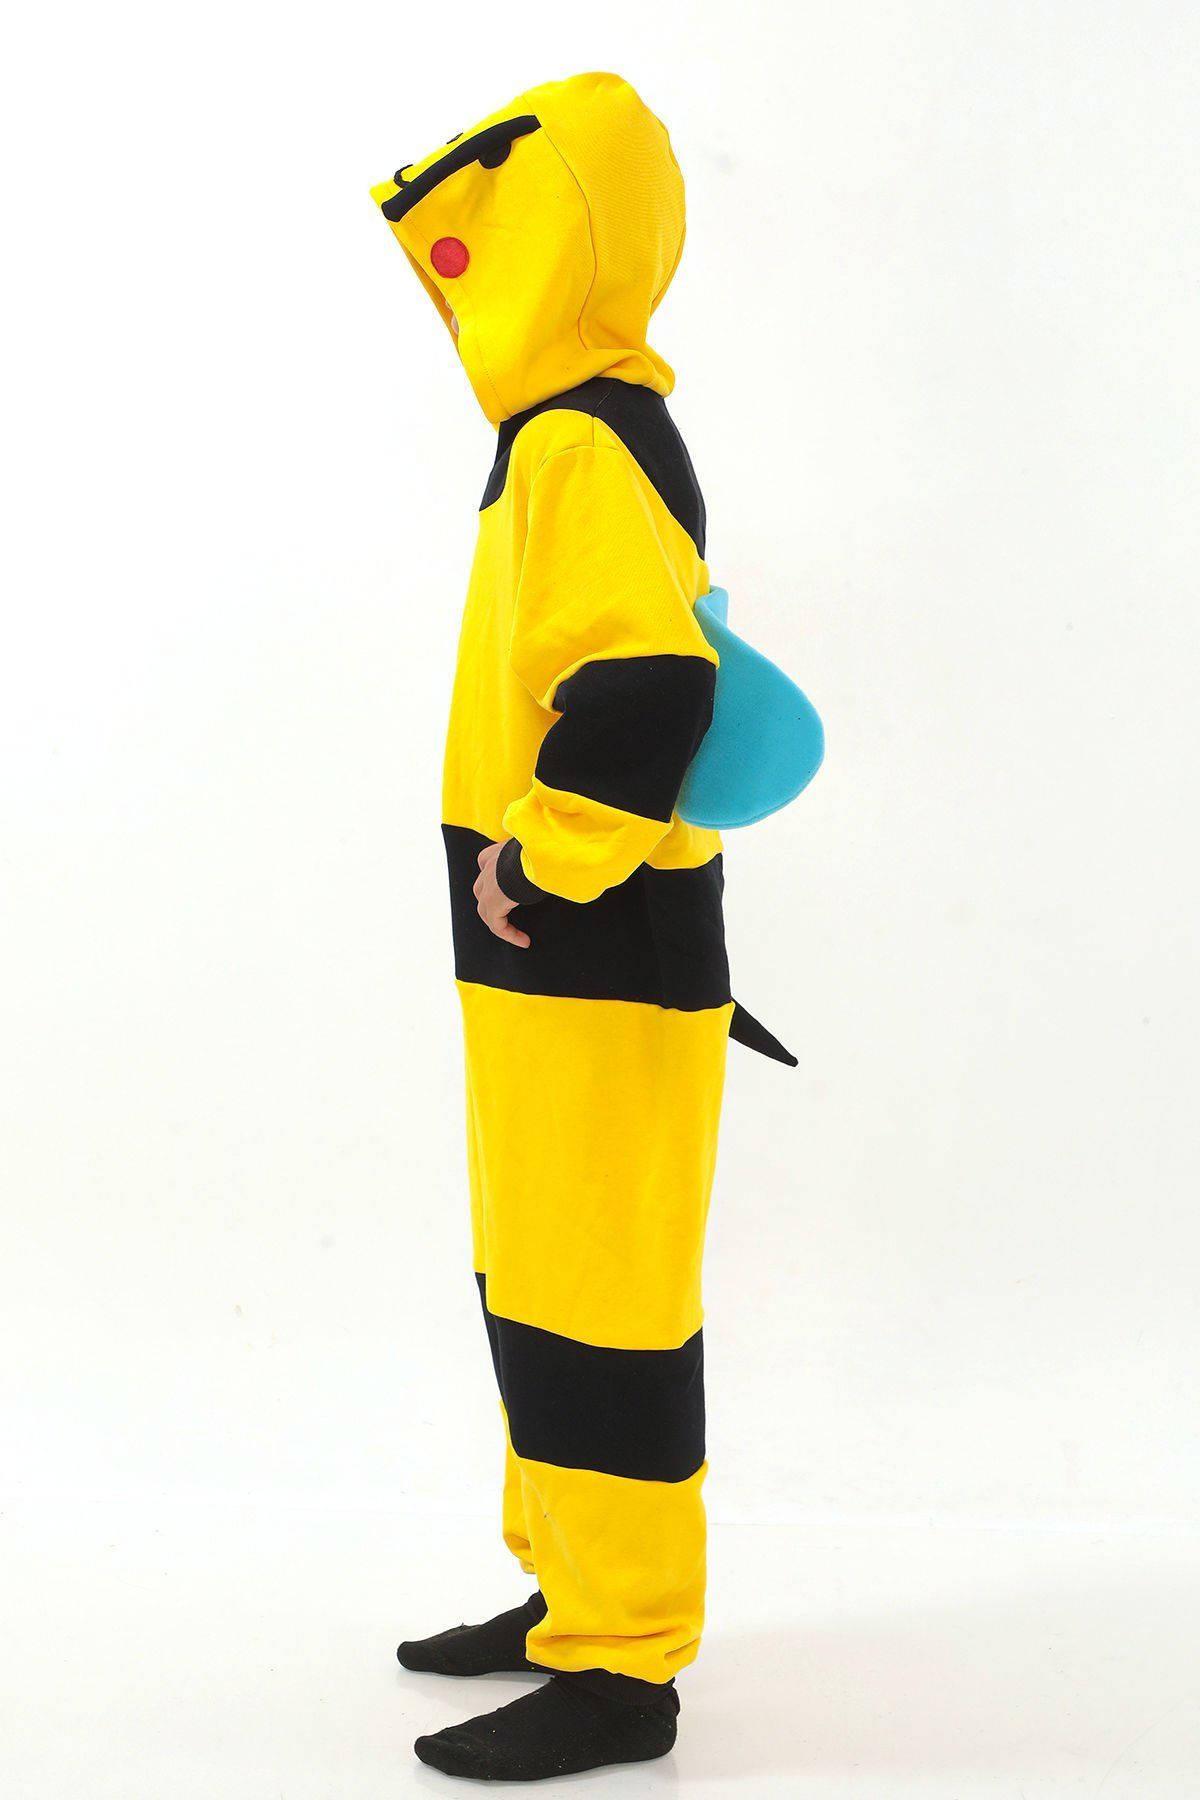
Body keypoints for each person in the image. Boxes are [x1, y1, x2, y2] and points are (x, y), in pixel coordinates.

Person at [372, 70, 786, 1782]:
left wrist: (539, 868)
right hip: (553, 962)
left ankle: (623, 1669)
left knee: (599, 1302)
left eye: (489, 241)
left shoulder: (578, 440)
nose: (456, 278)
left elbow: (645, 692)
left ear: (565, 248)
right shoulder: (573, 431)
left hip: (587, 944)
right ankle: (568, 1594)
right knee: (537, 1278)